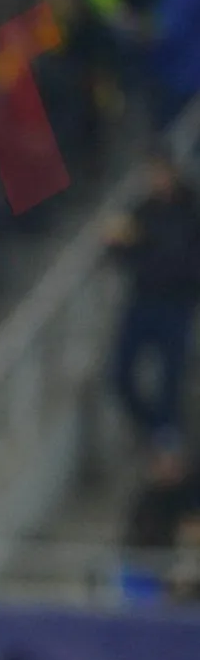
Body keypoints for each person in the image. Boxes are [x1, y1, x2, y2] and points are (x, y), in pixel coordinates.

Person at [105, 151, 200, 451]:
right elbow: (124, 255)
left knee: (171, 377)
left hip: (177, 303)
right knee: (120, 374)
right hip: (143, 300)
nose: (156, 180)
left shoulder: (191, 210)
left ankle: (167, 438)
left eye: (160, 173)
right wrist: (116, 244)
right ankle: (154, 428)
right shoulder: (142, 211)